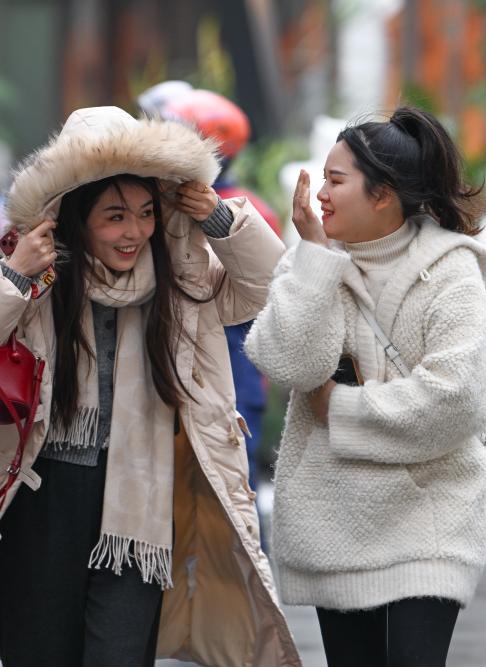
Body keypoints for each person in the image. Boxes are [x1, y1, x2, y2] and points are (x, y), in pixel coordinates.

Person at [0, 106, 299, 667]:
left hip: (138, 506)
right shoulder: (37, 275)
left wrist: (219, 219)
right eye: (114, 215)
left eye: (144, 213)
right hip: (40, 499)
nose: (134, 231)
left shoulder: (183, 278)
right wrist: (14, 274)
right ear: (76, 216)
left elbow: (267, 289)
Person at [244, 106, 486, 666]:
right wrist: (311, 259)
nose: (321, 195)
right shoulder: (312, 260)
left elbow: (457, 398)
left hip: (431, 515)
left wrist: (341, 409)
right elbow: (285, 364)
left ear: (383, 194)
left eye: (335, 181)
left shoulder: (451, 271)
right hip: (336, 518)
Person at [139, 81, 282, 493]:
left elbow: (254, 289)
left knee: (231, 497)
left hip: (231, 368)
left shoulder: (237, 209)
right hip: (190, 366)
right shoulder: (165, 202)